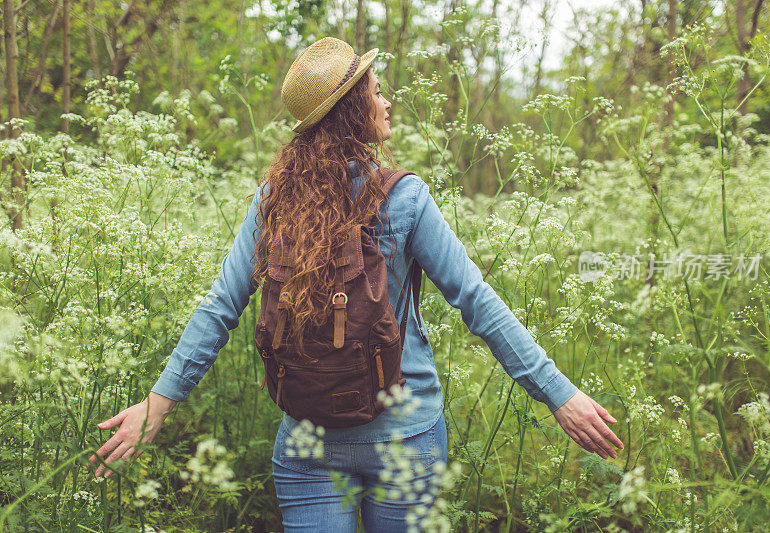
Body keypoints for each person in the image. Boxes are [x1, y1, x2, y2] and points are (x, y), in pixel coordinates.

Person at [89, 36, 623, 531]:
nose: (387, 102)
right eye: (375, 91)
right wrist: (559, 395)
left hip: (306, 442)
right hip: (404, 438)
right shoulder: (404, 198)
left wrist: (156, 406)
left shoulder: (273, 198)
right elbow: (477, 302)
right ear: (352, 110)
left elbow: (221, 306)